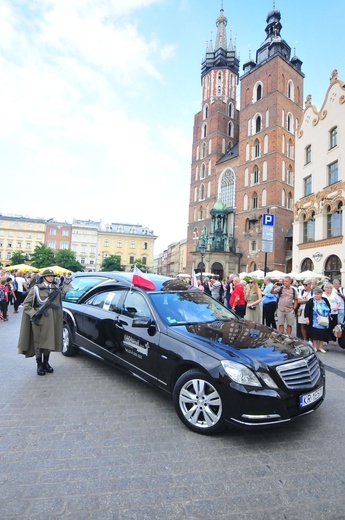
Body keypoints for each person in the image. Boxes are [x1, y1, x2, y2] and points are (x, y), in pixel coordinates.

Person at [17, 268, 63, 376]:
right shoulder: (36, 289)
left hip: (51, 321)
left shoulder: (56, 289)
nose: (51, 278)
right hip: (39, 320)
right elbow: (26, 305)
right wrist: (34, 314)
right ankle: (39, 364)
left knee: (49, 342)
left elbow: (59, 306)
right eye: (49, 276)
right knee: (38, 343)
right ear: (44, 278)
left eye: (52, 276)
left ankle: (46, 362)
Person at [304, 287, 331, 353]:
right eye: (315, 294)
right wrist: (307, 318)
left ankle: (320, 347)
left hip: (324, 320)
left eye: (317, 294)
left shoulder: (325, 300)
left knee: (323, 334)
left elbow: (329, 308)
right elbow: (306, 309)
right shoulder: (311, 301)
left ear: (321, 294)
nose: (316, 295)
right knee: (315, 334)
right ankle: (315, 347)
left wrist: (330, 315)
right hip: (314, 321)